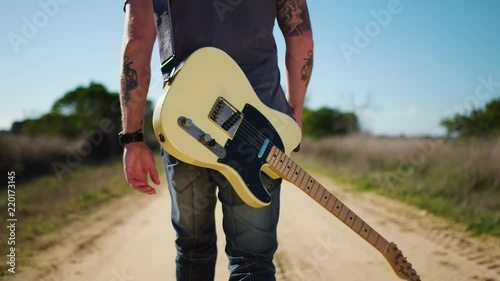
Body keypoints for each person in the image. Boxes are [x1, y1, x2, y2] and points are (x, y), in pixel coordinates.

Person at [119, 0, 313, 280]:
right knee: (252, 260)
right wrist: (294, 111)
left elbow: (136, 43)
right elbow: (302, 38)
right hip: (261, 124)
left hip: (184, 126)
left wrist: (133, 137)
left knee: (193, 251)